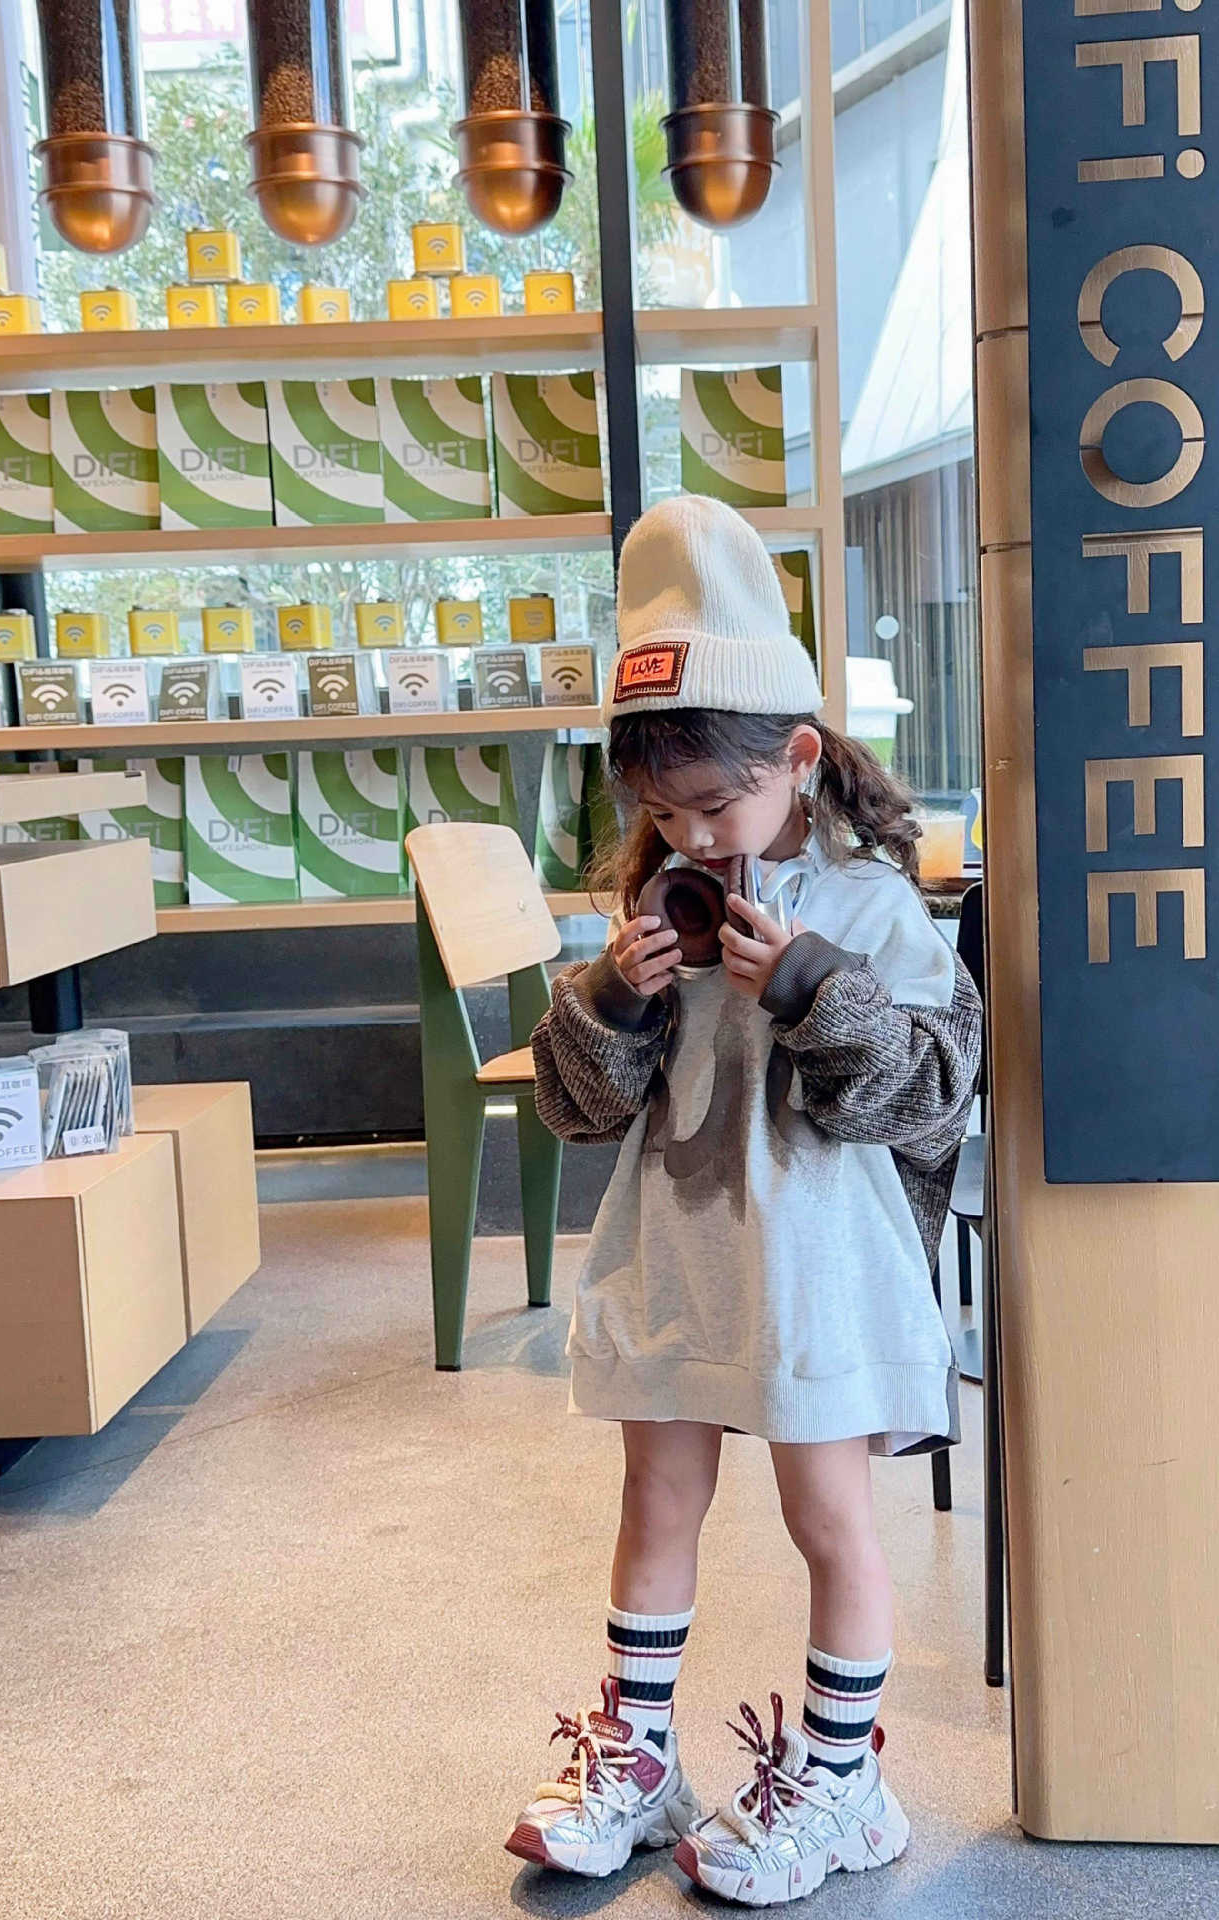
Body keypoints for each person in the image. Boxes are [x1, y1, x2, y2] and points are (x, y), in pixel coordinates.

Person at [507, 494, 982, 1906]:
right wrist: (610, 1001)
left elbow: (935, 1093)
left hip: (818, 1277)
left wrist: (816, 988)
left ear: (799, 757)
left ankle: (844, 1781)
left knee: (828, 1516)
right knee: (657, 1495)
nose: (694, 837)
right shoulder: (653, 914)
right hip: (677, 1258)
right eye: (663, 813)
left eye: (717, 804)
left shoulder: (874, 908)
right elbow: (573, 1108)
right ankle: (641, 1759)